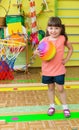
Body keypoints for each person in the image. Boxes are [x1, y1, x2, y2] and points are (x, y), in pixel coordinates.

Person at [34, 17, 73, 117]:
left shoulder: (62, 38)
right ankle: (52, 106)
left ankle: (65, 107)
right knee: (50, 88)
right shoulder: (44, 40)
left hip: (59, 69)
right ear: (47, 29)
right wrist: (36, 52)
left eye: (56, 28)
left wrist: (66, 60)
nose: (53, 30)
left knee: (60, 89)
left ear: (61, 29)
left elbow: (70, 49)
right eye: (51, 28)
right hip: (47, 70)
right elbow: (38, 51)